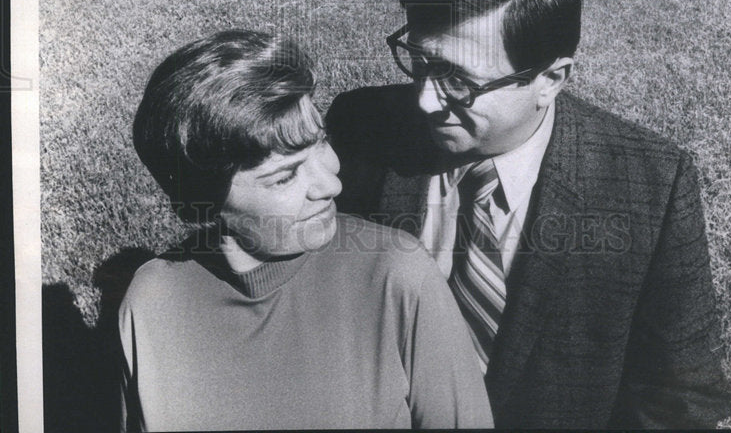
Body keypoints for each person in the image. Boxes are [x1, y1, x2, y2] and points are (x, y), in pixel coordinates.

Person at [327, 0, 731, 429]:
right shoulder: (361, 126)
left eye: (459, 80)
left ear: (550, 80)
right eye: (420, 60)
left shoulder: (649, 183)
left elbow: (678, 397)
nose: (425, 101)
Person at [119, 29, 492, 432]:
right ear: (206, 199)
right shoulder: (149, 301)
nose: (331, 185)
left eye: (320, 143)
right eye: (285, 177)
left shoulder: (396, 276)